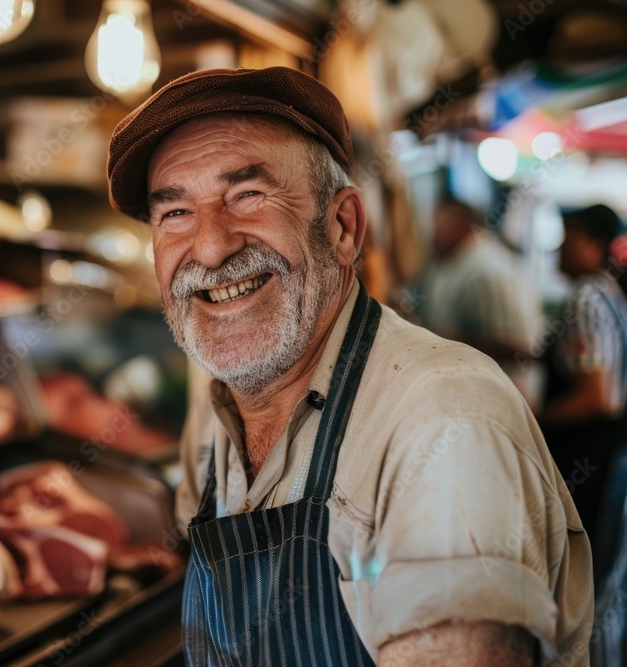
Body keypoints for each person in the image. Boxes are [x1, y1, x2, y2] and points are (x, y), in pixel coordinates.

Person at [106, 67, 592, 665]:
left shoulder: (447, 422)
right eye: (174, 212)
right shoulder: (215, 408)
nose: (209, 247)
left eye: (248, 196)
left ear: (342, 227)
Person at [540, 204, 627, 576]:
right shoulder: (608, 293)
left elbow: (599, 398)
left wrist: (535, 419)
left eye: (570, 237)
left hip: (588, 460)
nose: (559, 247)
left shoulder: (587, 300)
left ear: (595, 245)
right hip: (607, 458)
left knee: (579, 575)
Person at [415, 198, 540, 408]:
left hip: (492, 397)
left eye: (438, 225)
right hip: (458, 393)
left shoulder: (488, 270)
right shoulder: (448, 262)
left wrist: (433, 341)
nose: (432, 233)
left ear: (461, 225)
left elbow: (513, 349)